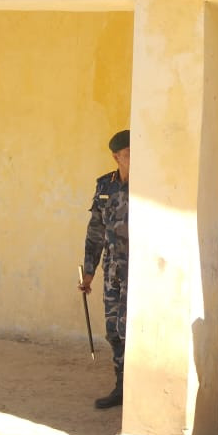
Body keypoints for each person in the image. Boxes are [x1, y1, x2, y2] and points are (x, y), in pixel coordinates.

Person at [79, 129, 130, 409]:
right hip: (112, 271)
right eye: (129, 153)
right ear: (116, 157)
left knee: (131, 329)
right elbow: (95, 232)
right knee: (113, 329)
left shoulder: (149, 186)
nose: (135, 158)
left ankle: (138, 388)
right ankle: (121, 387)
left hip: (138, 271)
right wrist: (89, 271)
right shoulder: (105, 187)